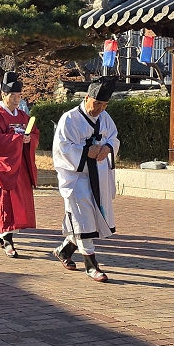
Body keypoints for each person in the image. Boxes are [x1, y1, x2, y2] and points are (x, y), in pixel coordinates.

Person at [53, 78, 120, 283]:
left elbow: (114, 137)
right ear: (87, 98)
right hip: (76, 179)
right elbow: (62, 148)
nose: (100, 109)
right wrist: (85, 152)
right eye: (97, 103)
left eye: (104, 105)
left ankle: (64, 251)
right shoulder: (70, 119)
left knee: (90, 218)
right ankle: (92, 266)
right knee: (83, 219)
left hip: (98, 177)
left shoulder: (105, 117)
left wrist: (108, 148)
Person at [0, 71, 39, 258]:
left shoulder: (23, 116)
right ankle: (7, 239)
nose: (16, 99)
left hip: (19, 166)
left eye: (19, 95)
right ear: (3, 95)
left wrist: (29, 139)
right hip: (2, 167)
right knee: (4, 203)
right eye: (12, 95)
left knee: (18, 202)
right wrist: (17, 139)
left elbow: (34, 134)